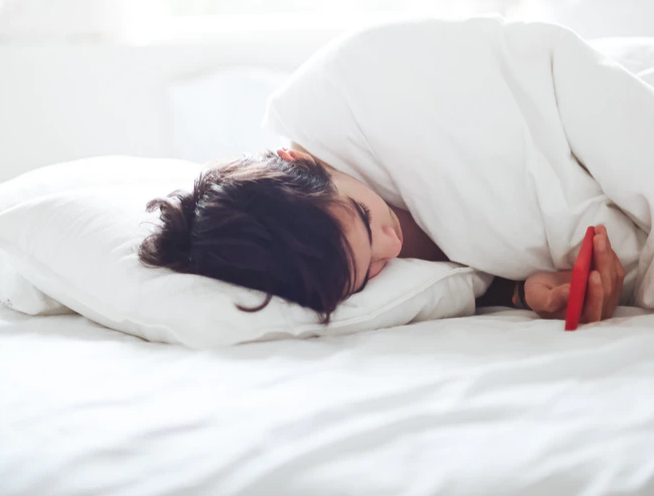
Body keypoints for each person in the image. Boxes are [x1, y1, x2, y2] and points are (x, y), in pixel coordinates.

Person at [139, 145, 625, 324]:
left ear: (301, 160)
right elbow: (458, 273)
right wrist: (520, 291)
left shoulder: (358, 135)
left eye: (366, 219)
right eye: (370, 270)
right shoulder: (318, 255)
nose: (391, 248)